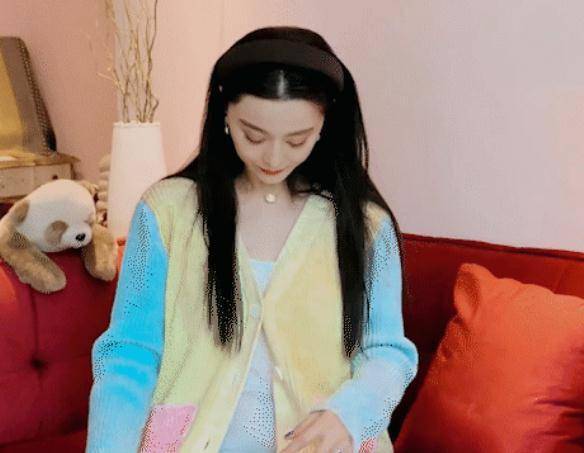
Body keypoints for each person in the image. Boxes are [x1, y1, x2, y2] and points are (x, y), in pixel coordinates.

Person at [86, 26, 419, 453]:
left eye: (297, 139)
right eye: (253, 135)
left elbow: (388, 352)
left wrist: (350, 413)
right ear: (224, 113)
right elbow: (130, 354)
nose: (273, 158)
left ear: (325, 124)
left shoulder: (365, 226)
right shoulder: (167, 212)